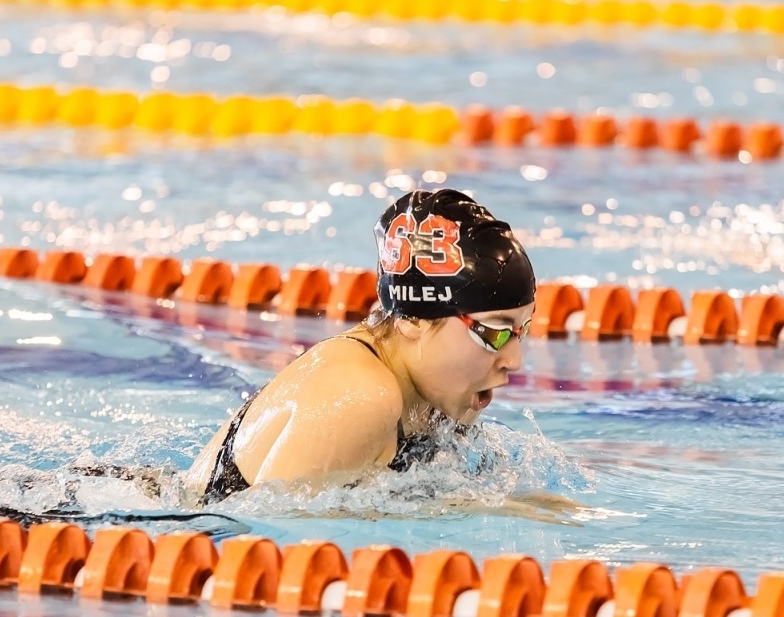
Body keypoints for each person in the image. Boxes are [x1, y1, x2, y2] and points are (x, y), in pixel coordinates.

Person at [190, 188, 536, 501]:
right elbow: (269, 543)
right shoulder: (359, 395)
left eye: (523, 329)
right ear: (413, 321)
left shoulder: (434, 397)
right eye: (495, 333)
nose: (514, 360)